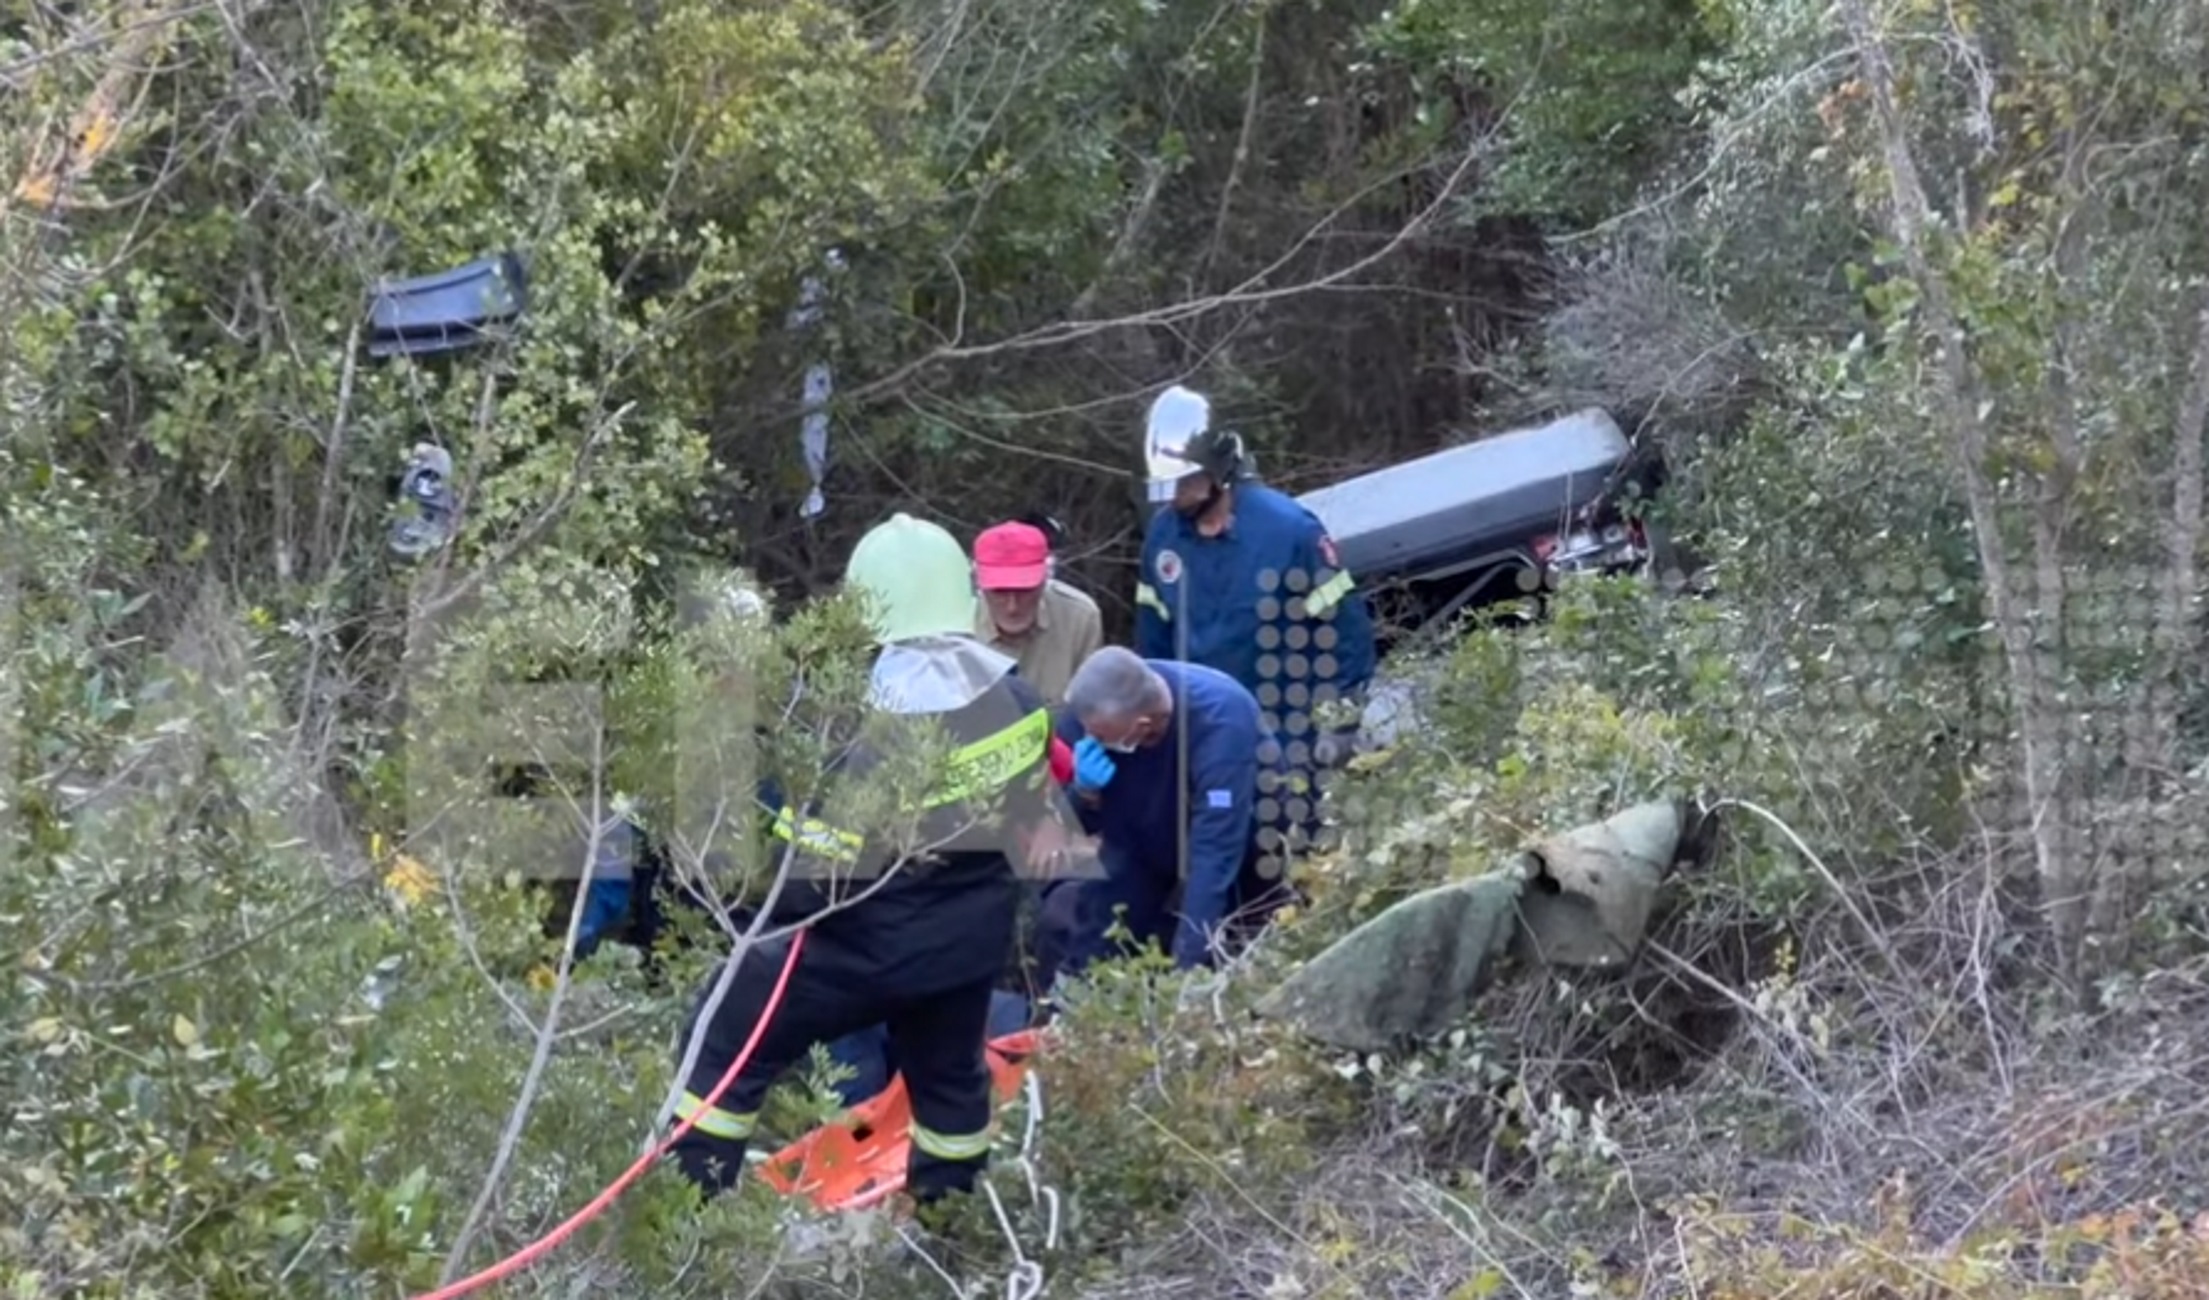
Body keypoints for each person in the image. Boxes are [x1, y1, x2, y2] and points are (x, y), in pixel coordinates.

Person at [664, 512, 1073, 1203]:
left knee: (724, 1036)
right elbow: (1029, 817)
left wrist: (748, 900)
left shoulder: (863, 724)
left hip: (865, 949)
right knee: (949, 1089)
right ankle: (951, 1216)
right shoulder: (1019, 698)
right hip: (968, 946)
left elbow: (815, 881)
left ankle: (686, 1208)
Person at [1135, 385, 1379, 866]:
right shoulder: (1162, 542)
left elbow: (1349, 638)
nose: (1175, 496)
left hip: (1292, 736)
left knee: (1302, 865)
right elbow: (1154, 647)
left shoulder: (1291, 532)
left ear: (1219, 471)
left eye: (1186, 482)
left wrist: (1339, 729)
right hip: (1208, 741)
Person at [1035, 646, 1289, 981]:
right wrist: (1082, 793)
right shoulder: (1094, 712)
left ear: (1142, 726)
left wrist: (1187, 975)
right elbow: (1068, 831)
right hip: (1140, 836)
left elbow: (1215, 853)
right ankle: (1069, 1010)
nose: (1088, 739)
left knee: (1224, 941)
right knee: (1098, 935)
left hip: (1242, 842)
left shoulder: (1221, 724)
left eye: (1099, 736)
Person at [971, 519, 1105, 707]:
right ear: (979, 583)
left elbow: (1090, 713)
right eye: (999, 592)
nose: (1012, 607)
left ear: (1045, 579)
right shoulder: (954, 623)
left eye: (1025, 590)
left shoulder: (1080, 618)